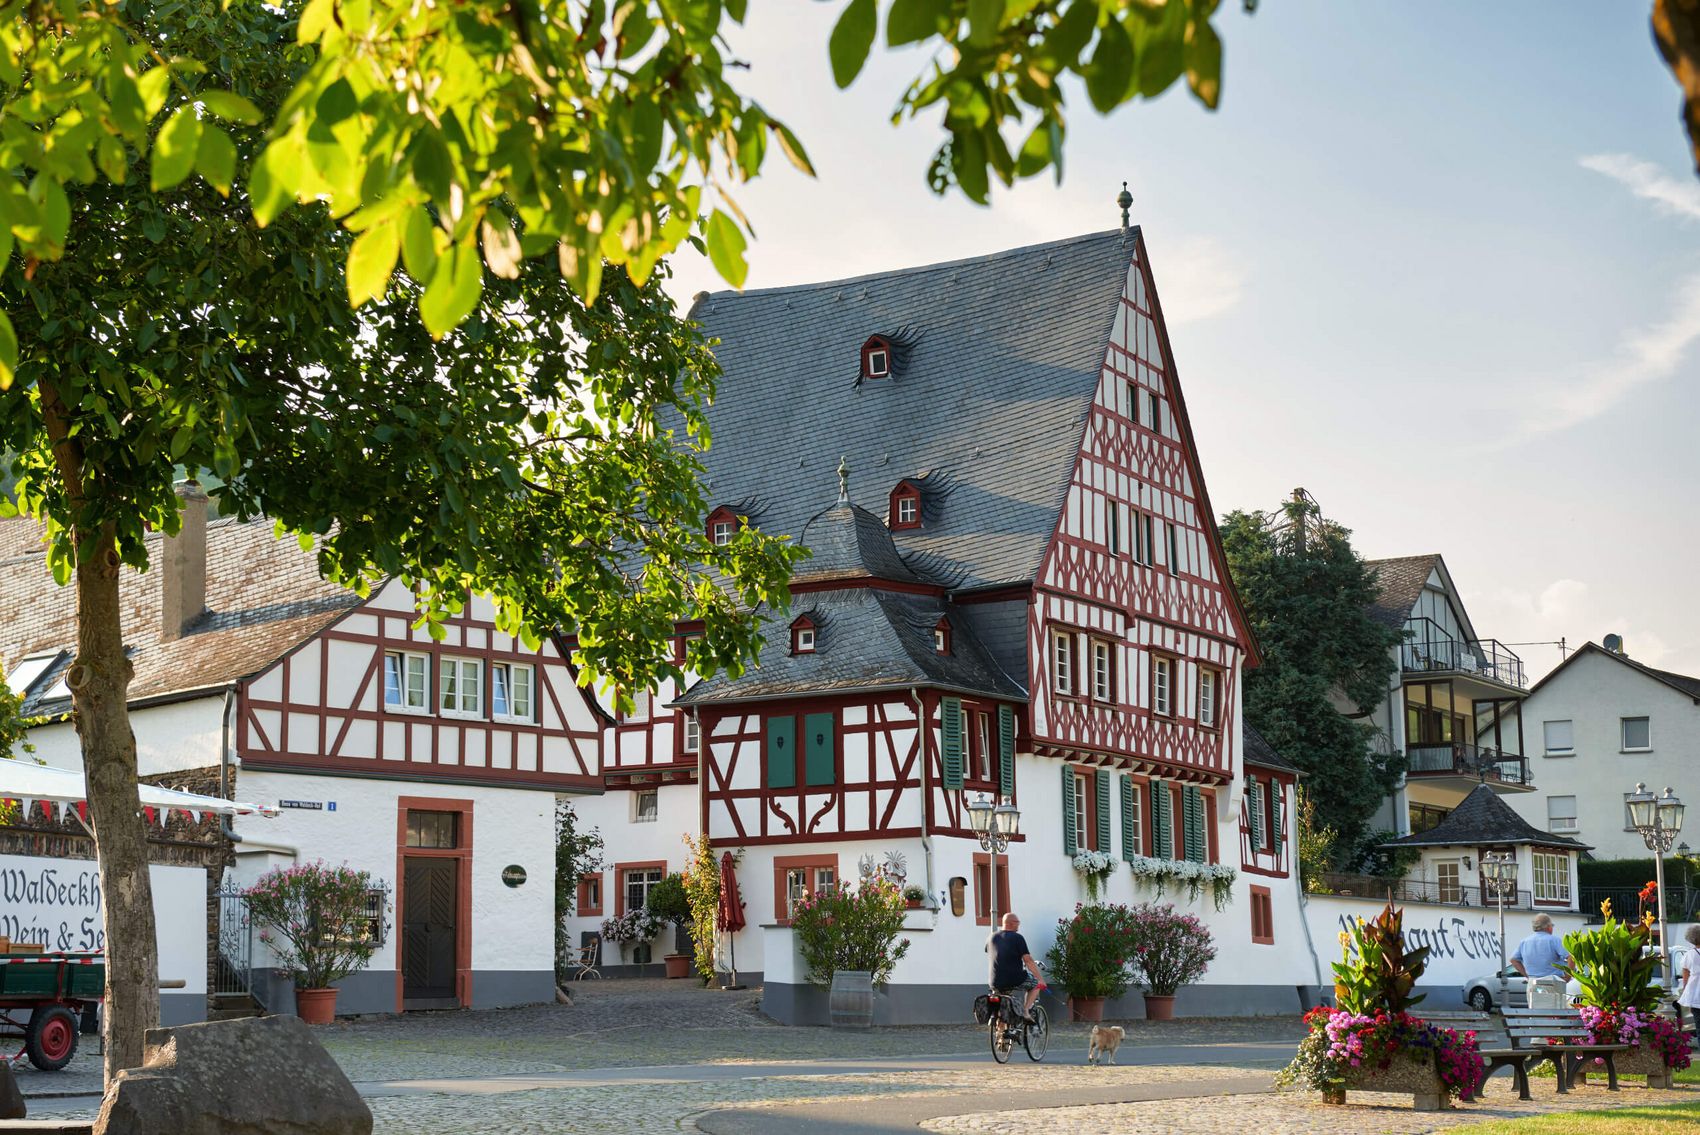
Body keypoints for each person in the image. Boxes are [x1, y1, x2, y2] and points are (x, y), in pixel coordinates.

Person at [987, 912, 1044, 1023]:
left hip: (994, 981)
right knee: (1036, 984)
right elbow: (1028, 960)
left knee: (1001, 1003)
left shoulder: (991, 937)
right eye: (1017, 922)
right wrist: (1040, 979)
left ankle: (1000, 1035)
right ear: (1010, 923)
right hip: (1014, 979)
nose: (1018, 925)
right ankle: (1025, 1011)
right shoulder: (1017, 938)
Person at [1509, 913, 1570, 978]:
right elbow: (1571, 958)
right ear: (1548, 926)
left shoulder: (1524, 942)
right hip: (1553, 981)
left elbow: (1513, 960)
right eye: (1552, 925)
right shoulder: (1555, 940)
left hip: (1533, 982)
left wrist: (1527, 976)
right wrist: (1568, 977)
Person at [1677, 924, 1700, 1034]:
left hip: (1696, 996)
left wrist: (1687, 997)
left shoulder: (1689, 955)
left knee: (1699, 1028)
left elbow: (1685, 978)